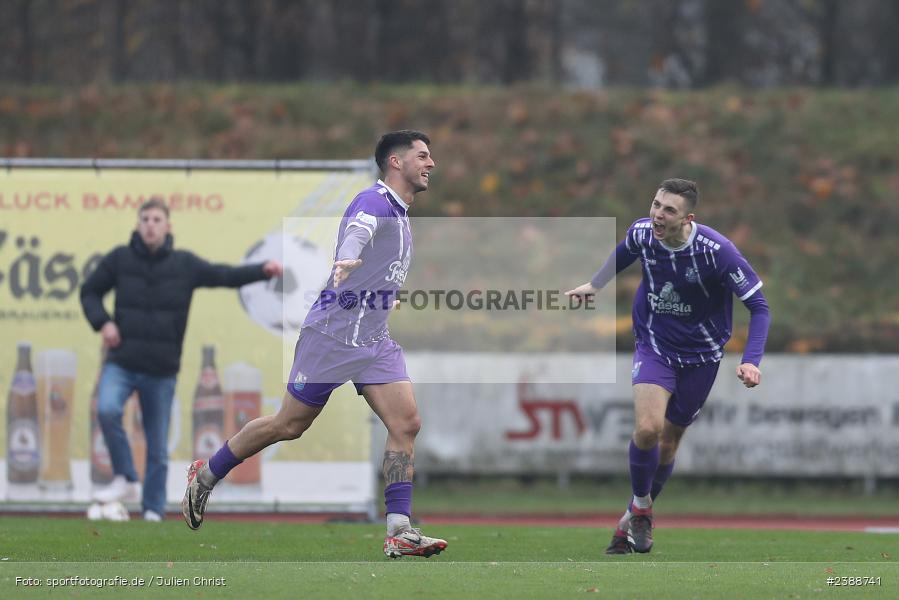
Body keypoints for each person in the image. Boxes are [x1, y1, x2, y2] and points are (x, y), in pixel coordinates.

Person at [182, 130, 447, 559]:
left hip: (373, 342)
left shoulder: (399, 213)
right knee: (289, 425)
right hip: (332, 336)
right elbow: (357, 233)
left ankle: (399, 528)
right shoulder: (375, 201)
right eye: (422, 155)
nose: (430, 163)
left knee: (406, 424)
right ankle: (207, 473)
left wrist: (382, 292)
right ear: (395, 162)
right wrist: (346, 256)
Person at [566, 178, 770, 554]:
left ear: (687, 218)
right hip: (654, 345)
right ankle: (643, 507)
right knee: (647, 429)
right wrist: (595, 285)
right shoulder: (644, 233)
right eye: (656, 204)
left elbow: (759, 306)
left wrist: (751, 361)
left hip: (702, 356)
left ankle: (632, 515)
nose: (658, 214)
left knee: (668, 445)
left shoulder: (718, 252)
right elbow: (624, 252)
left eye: (669, 210)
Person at [80, 198, 282, 521]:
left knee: (157, 444)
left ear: (167, 226)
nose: (150, 224)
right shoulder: (119, 260)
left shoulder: (183, 265)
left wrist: (261, 271)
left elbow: (223, 275)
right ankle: (126, 477)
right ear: (137, 224)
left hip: (161, 370)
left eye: (156, 219)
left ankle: (152, 511)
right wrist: (103, 322)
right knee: (106, 409)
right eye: (144, 219)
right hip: (122, 362)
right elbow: (89, 291)